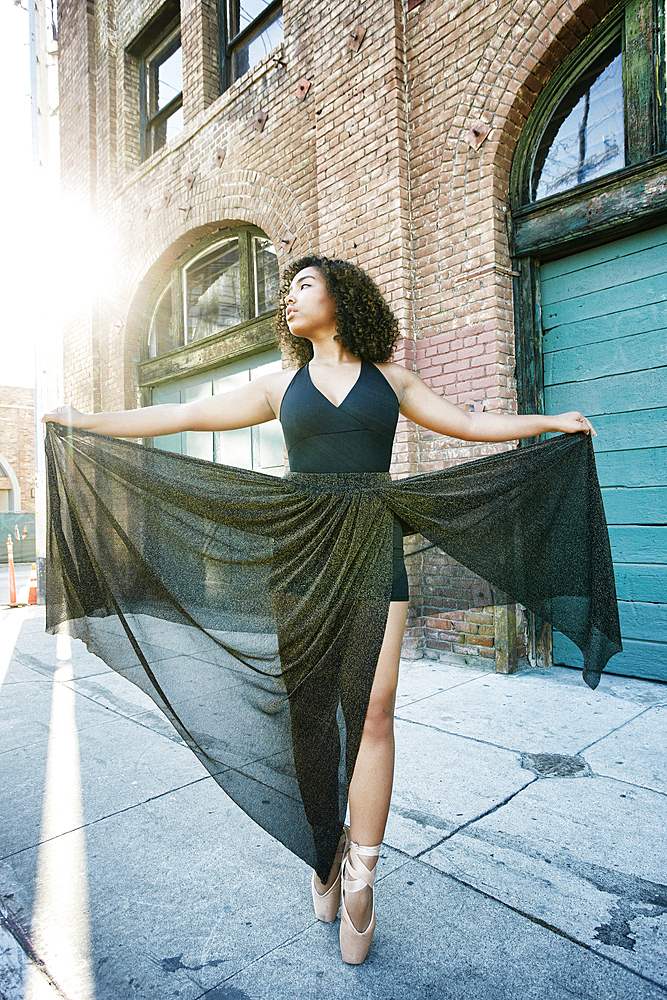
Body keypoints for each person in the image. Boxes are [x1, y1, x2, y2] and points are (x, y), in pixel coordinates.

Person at [43, 255, 597, 965]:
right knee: (308, 709)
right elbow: (181, 413)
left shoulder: (392, 381)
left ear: (343, 296)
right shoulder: (279, 385)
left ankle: (362, 874)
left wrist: (545, 421)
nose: (288, 299)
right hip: (299, 552)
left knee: (372, 706)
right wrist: (89, 420)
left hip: (371, 544)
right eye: (286, 290)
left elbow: (462, 420)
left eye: (301, 284)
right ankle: (323, 850)